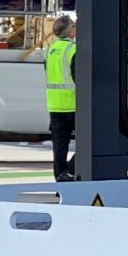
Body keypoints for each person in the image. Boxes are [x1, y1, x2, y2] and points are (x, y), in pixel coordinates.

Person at [43, 13, 78, 181]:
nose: (76, 29)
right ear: (69, 32)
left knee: (59, 150)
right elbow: (79, 78)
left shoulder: (50, 50)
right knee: (89, 144)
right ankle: (70, 170)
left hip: (55, 106)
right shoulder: (73, 50)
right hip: (73, 105)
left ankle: (60, 182)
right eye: (74, 26)